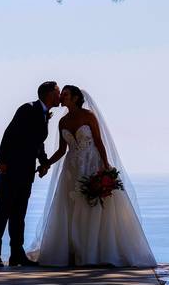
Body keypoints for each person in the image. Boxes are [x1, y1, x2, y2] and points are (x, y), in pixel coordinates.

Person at [31, 85, 156, 267]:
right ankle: (73, 252)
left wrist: (106, 167)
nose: (62, 97)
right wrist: (46, 164)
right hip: (71, 170)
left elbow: (99, 143)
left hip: (92, 164)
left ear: (75, 98)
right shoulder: (62, 122)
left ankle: (96, 252)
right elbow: (61, 150)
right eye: (62, 94)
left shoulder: (89, 116)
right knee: (71, 208)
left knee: (94, 207)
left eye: (65, 94)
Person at [0, 81, 60, 267]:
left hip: (26, 171)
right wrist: (1, 161)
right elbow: (9, 134)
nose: (60, 96)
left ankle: (16, 254)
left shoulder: (44, 115)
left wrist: (43, 162)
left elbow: (38, 143)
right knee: (3, 211)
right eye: (58, 92)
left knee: (19, 213)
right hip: (11, 168)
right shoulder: (28, 109)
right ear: (49, 94)